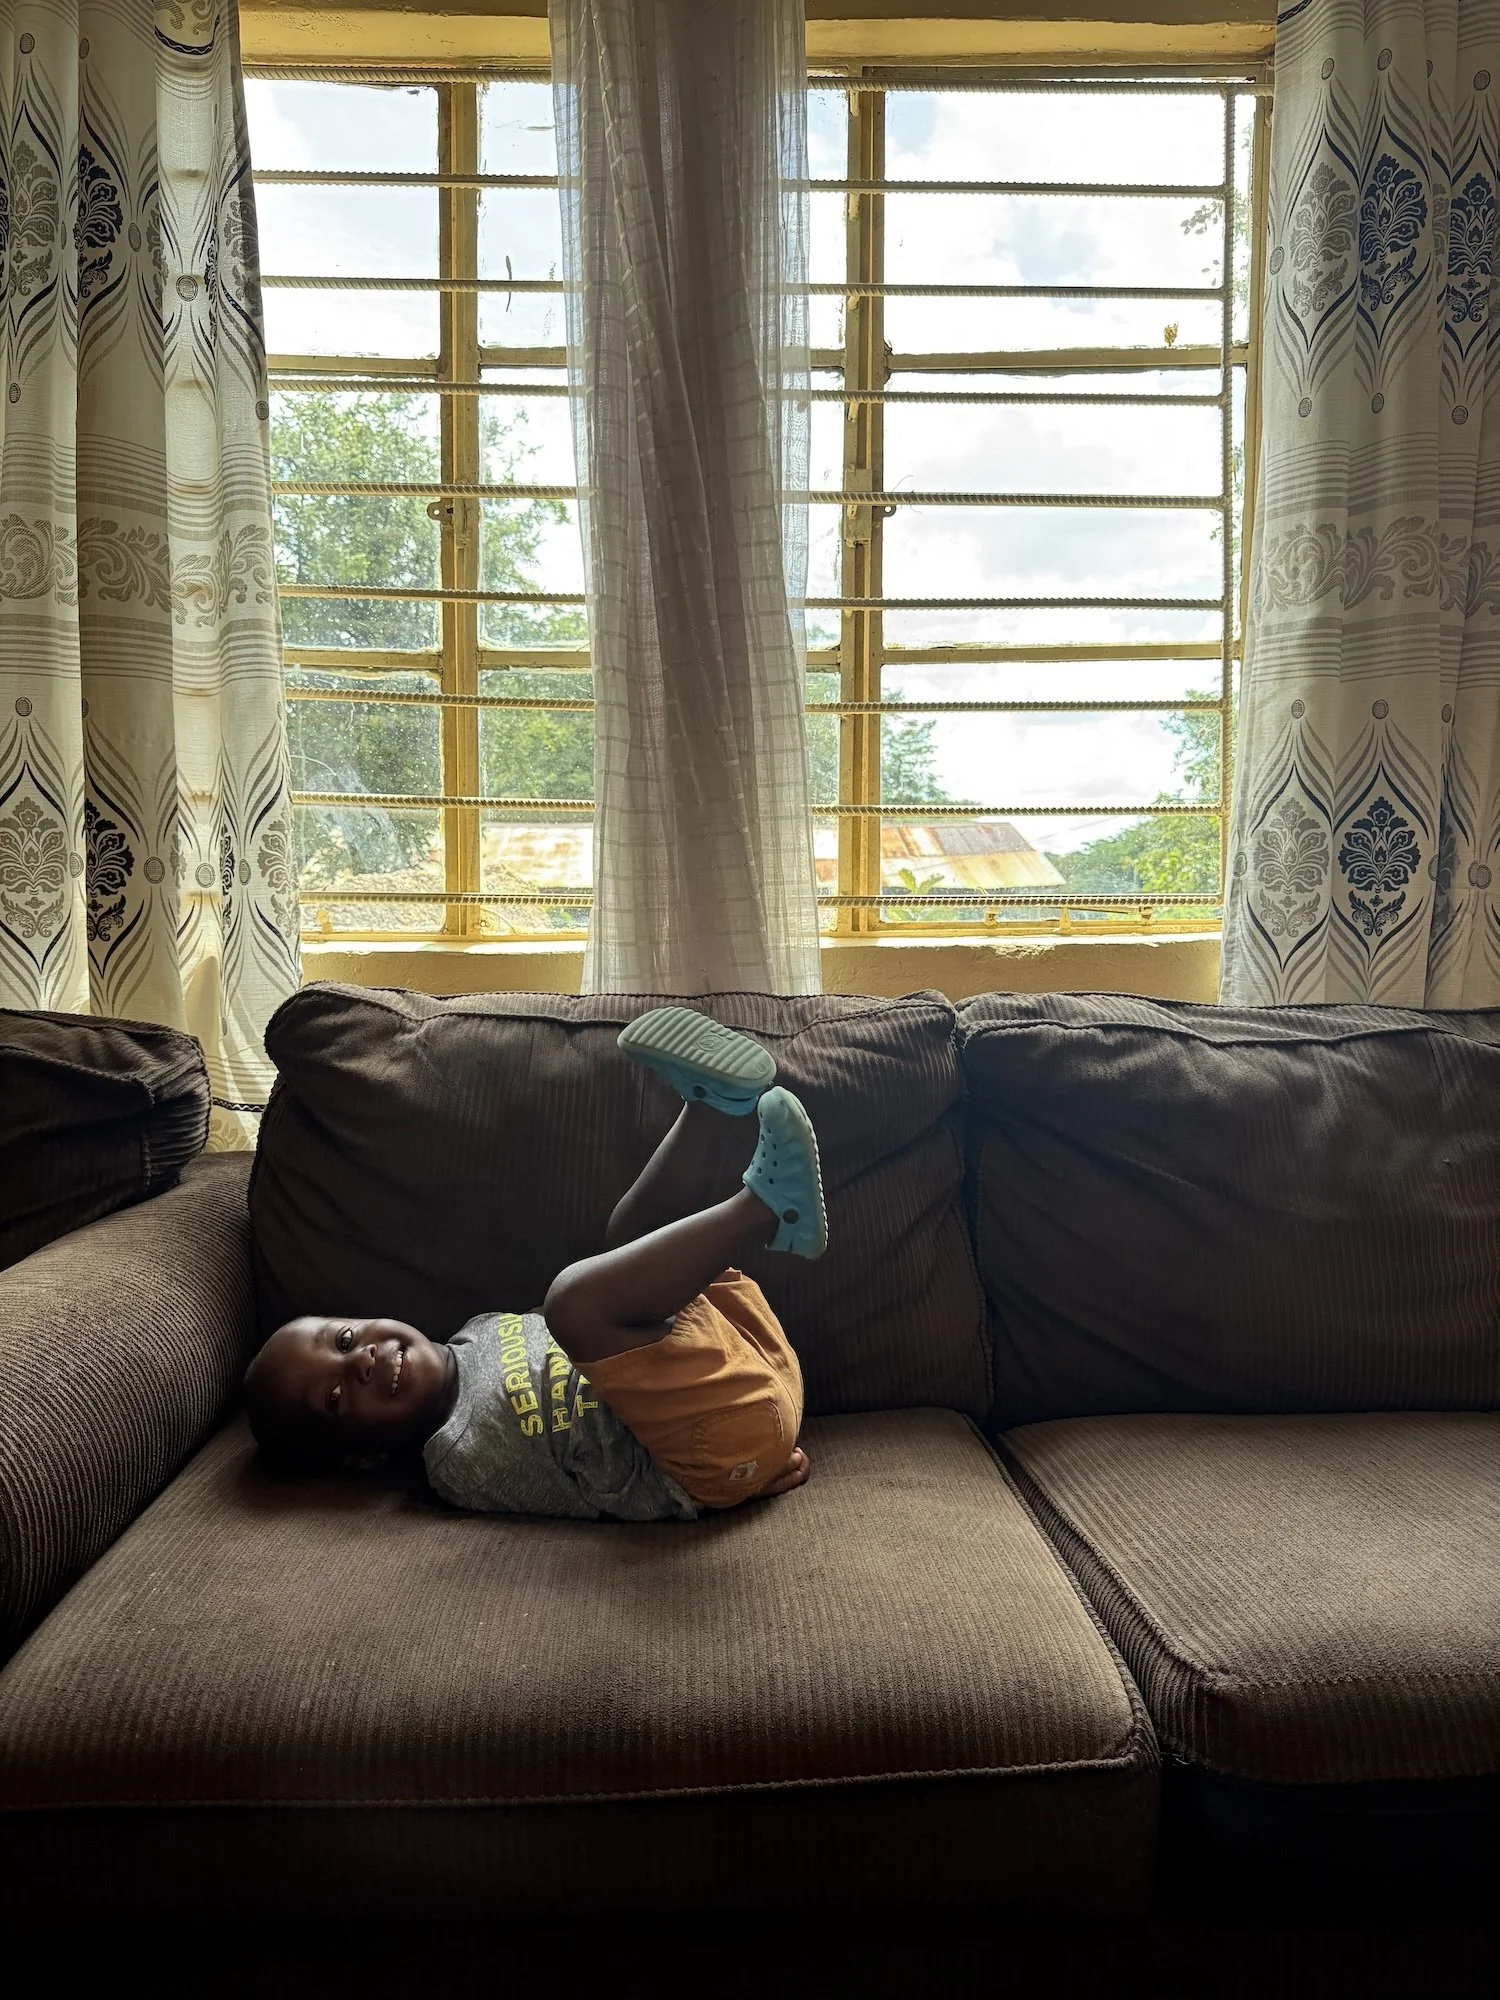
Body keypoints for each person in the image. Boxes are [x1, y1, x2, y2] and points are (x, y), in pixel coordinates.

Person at [243, 1008, 824, 1521]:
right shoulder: (455, 1462)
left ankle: (714, 1108)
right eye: (337, 1399)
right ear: (363, 1457)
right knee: (574, 1301)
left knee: (621, 1245)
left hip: (742, 1353)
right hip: (713, 1444)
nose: (360, 1364)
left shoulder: (480, 1328)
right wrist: (739, 1475)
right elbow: (606, 1498)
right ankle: (767, 1211)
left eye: (344, 1340)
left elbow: (634, 1313)